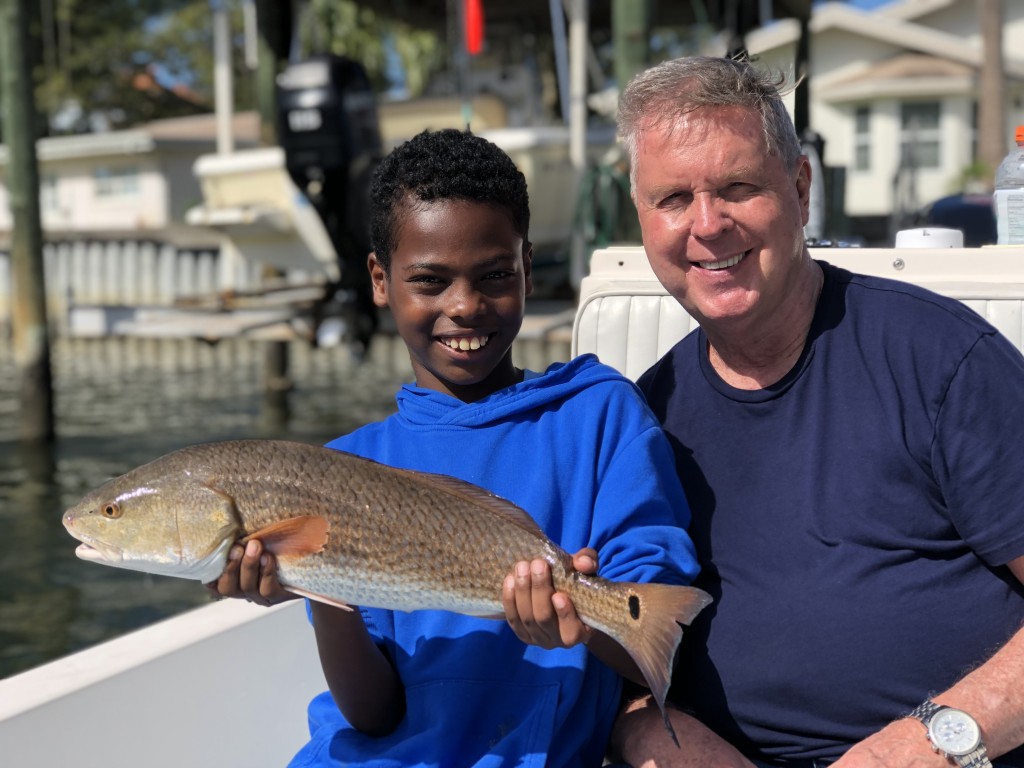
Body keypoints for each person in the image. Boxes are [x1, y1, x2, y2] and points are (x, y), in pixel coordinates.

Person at [209, 127, 702, 767]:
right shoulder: (343, 466)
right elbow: (373, 714)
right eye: (430, 281)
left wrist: (577, 621)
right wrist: (320, 589)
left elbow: (649, 634)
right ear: (380, 281)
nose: (465, 306)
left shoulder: (598, 415)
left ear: (528, 268)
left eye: (495, 275)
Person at [608, 55, 1024, 767]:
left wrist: (923, 747)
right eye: (673, 199)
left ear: (800, 190)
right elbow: (619, 674)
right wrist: (656, 737)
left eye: (738, 187)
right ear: (642, 216)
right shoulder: (640, 421)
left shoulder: (942, 361)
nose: (707, 225)